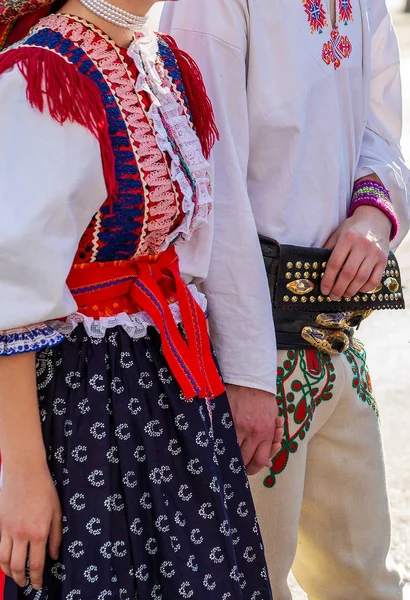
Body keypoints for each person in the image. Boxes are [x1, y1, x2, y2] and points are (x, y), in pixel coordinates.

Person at [0, 0, 283, 598]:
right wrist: (24, 475)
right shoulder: (41, 76)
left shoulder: (163, 65)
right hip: (79, 408)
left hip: (167, 390)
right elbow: (9, 294)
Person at [160, 1, 410, 598]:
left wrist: (375, 215)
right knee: (252, 581)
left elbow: (379, 129)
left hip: (337, 336)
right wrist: (246, 375)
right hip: (251, 353)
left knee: (363, 580)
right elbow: (206, 184)